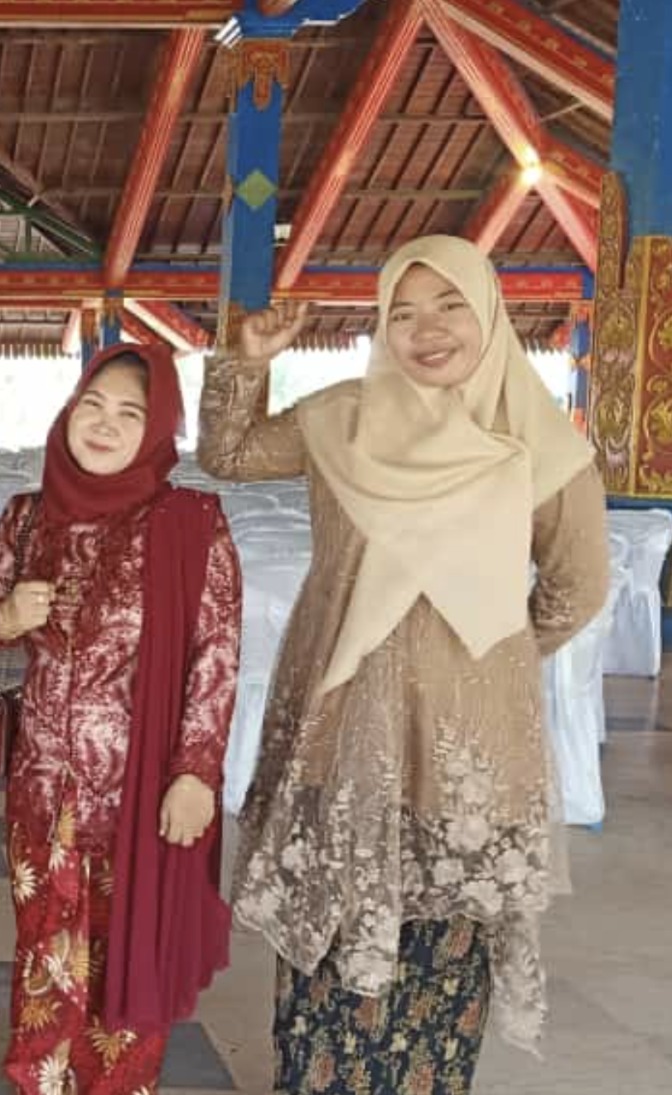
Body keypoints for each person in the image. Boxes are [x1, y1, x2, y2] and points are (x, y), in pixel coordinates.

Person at [199, 235, 610, 1093]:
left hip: (467, 753)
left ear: (489, 314)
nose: (428, 330)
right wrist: (248, 362)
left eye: (450, 306)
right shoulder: (341, 418)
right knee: (326, 964)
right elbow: (228, 455)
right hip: (342, 729)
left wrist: (485, 661)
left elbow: (577, 586)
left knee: (440, 971)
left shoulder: (536, 441)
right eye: (404, 312)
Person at [0, 343, 242, 1094]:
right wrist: (5, 616)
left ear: (159, 430)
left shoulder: (190, 524)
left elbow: (215, 656)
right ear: (69, 411)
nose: (106, 425)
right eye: (94, 405)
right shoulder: (27, 516)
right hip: (44, 789)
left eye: (130, 414)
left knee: (127, 967)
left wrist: (196, 773)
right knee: (46, 963)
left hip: (144, 793)